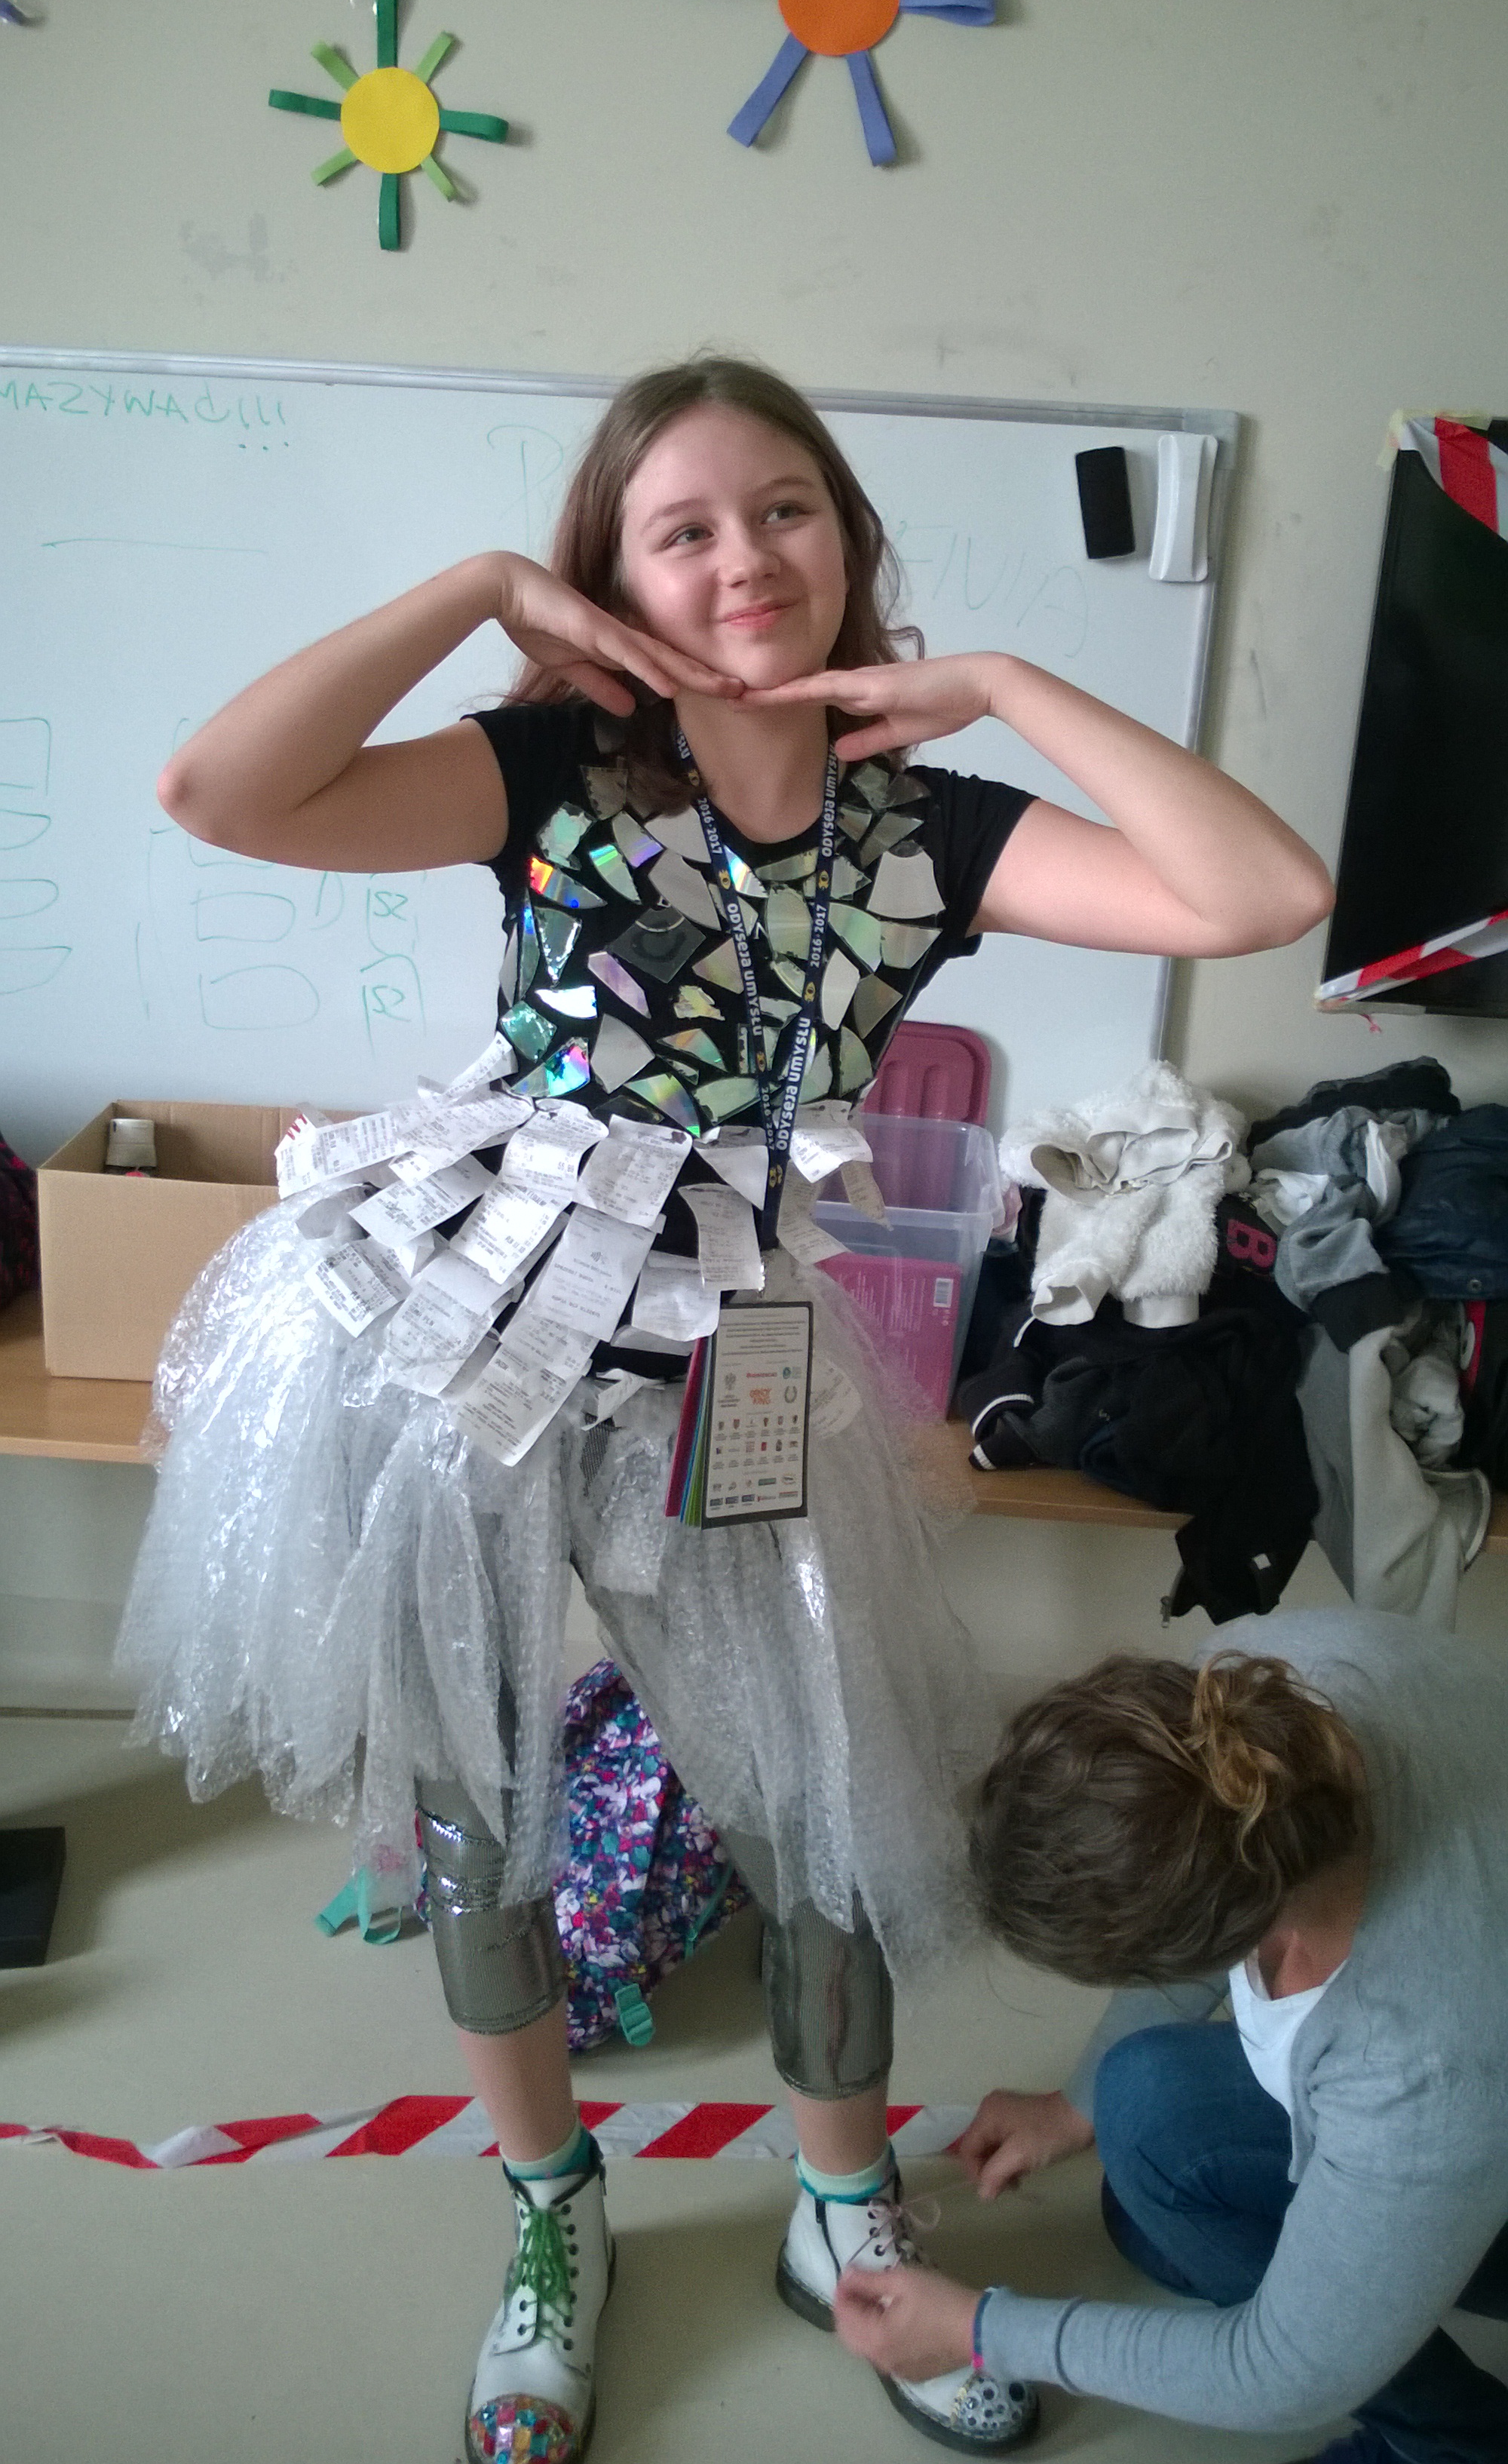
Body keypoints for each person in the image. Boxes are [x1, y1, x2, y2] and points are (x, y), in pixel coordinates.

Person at [118, 356, 1331, 2464]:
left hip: (735, 1358)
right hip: (466, 1343)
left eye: (785, 508)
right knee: (478, 1824)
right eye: (677, 528)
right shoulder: (550, 768)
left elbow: (1261, 895)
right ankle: (552, 2212)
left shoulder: (931, 829)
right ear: (612, 578)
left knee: (823, 1811)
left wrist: (1008, 683)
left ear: (847, 536)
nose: (743, 556)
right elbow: (219, 791)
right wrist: (481, 587)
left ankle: (839, 2208)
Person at [835, 1609, 1508, 2464]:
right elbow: (1219, 1865)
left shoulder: (1418, 2061)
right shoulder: (1250, 1688)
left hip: (1474, 2121)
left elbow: (1283, 2375)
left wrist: (981, 2333)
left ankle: (1461, 2445)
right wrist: (1073, 2104)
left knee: (1182, 2195)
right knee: (1145, 2167)